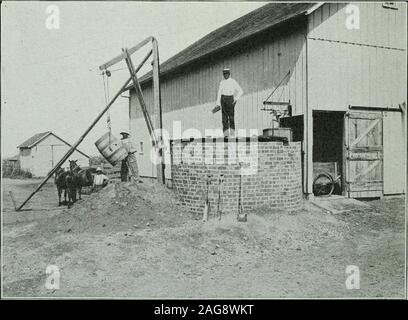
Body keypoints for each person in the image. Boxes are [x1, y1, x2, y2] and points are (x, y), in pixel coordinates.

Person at [215, 68, 243, 137]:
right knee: (224, 118)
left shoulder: (233, 81)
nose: (225, 75)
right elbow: (219, 93)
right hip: (223, 99)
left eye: (227, 74)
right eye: (224, 74)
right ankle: (226, 134)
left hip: (230, 99)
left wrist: (235, 99)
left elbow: (240, 91)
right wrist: (218, 103)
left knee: (231, 117)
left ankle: (232, 133)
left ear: (229, 74)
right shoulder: (222, 82)